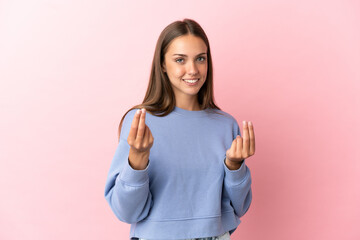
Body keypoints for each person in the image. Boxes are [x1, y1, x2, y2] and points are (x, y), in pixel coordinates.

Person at [104, 18, 255, 240]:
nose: (192, 70)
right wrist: (137, 159)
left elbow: (239, 207)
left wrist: (234, 166)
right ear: (163, 65)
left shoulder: (226, 125)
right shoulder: (140, 121)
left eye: (200, 59)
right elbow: (126, 212)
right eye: (180, 60)